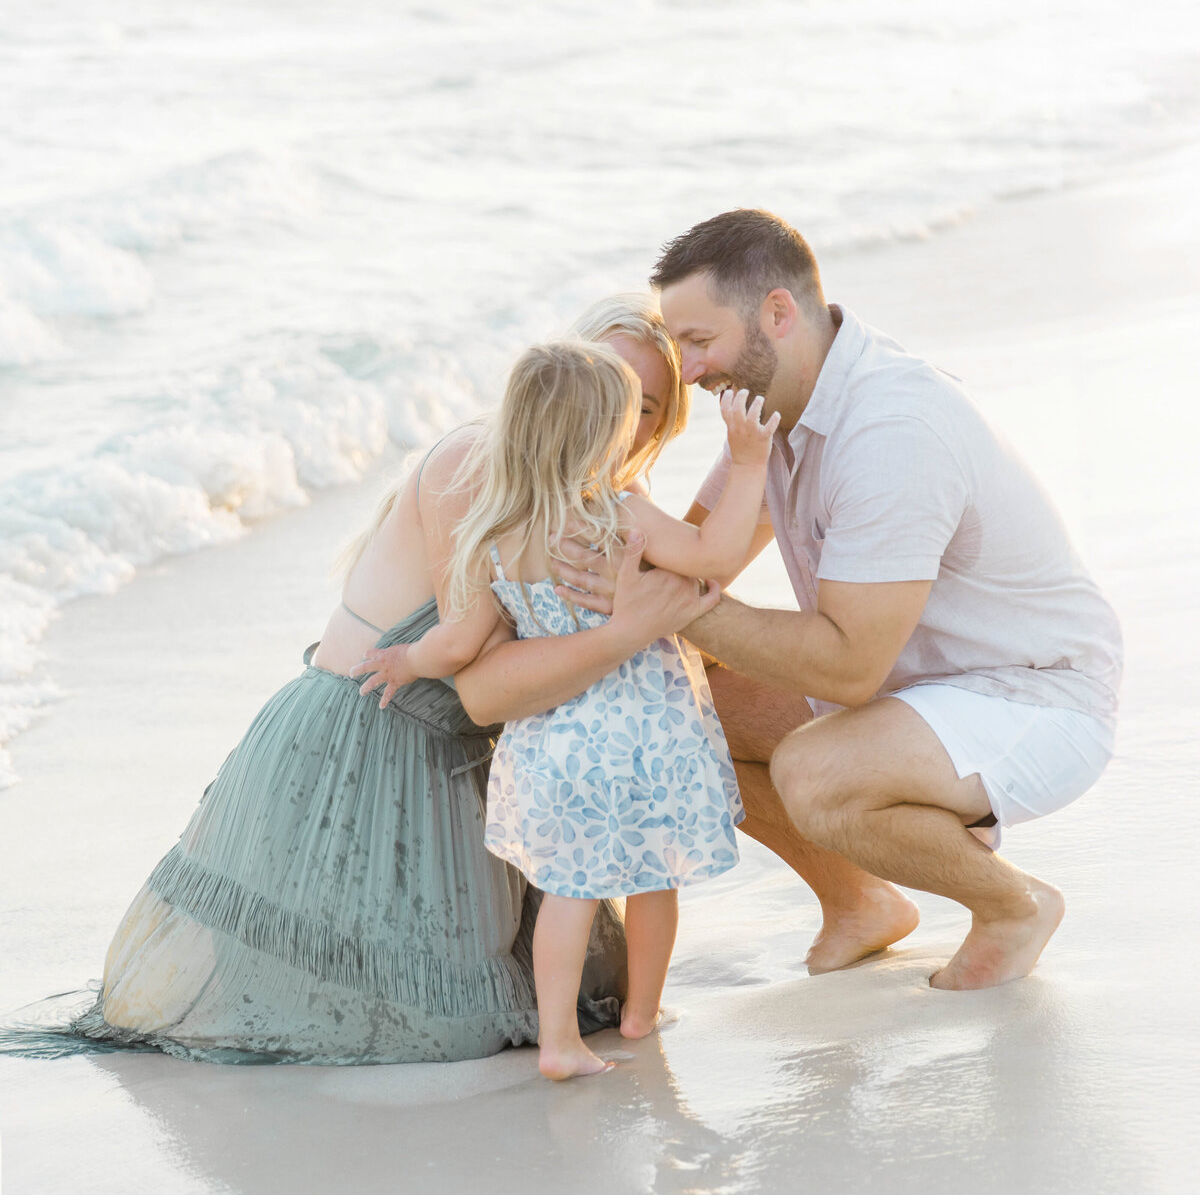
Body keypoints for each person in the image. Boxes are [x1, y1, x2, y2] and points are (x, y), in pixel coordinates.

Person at [0, 296, 714, 1065]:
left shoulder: (601, 506)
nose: (614, 415)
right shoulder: (475, 466)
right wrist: (626, 630)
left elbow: (691, 581)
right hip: (365, 736)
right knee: (442, 1023)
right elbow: (482, 687)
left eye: (641, 405)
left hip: (469, 759)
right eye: (600, 379)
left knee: (572, 987)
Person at [548, 209, 1123, 992]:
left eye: (698, 342)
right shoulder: (775, 407)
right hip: (914, 688)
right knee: (686, 692)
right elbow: (694, 559)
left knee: (817, 773)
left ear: (777, 314)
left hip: (1030, 696)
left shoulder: (891, 428)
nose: (685, 371)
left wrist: (662, 605)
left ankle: (1013, 905)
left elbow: (847, 667)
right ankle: (861, 901)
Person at [356, 340, 778, 1078]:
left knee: (568, 892)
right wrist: (746, 465)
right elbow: (713, 555)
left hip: (554, 744)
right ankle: (641, 1013)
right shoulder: (621, 515)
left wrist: (404, 660)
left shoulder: (492, 534)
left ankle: (558, 1042)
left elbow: (457, 644)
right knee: (653, 880)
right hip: (645, 734)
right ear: (607, 436)